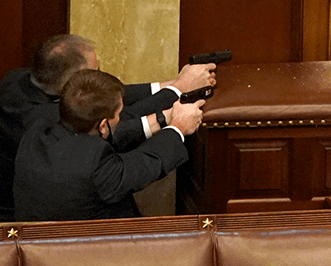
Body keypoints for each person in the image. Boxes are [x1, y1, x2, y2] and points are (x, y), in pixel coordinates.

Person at [0, 34, 216, 222]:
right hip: (21, 227)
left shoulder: (21, 89)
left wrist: (172, 88)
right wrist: (176, 124)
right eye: (95, 71)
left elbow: (104, 105)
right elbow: (146, 161)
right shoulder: (48, 129)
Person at [13, 69, 204, 221]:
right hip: (96, 258)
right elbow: (147, 163)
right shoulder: (96, 164)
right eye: (119, 115)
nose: (122, 119)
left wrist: (163, 118)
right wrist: (178, 126)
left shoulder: (36, 131)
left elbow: (106, 136)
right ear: (103, 125)